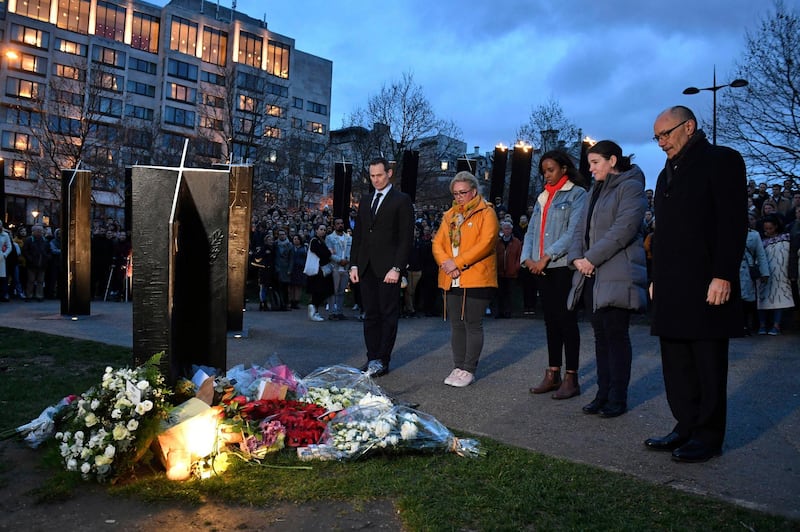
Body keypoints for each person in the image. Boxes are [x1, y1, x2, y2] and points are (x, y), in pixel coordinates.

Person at [646, 105, 747, 463]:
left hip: (707, 281)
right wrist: (656, 276)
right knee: (676, 362)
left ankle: (707, 435)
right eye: (656, 136)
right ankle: (685, 426)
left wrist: (723, 274)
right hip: (672, 284)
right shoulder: (665, 173)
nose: (661, 142)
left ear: (689, 127)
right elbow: (664, 232)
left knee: (707, 362)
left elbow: (732, 222)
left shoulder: (722, 160)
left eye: (666, 134)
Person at [568, 141, 648, 417]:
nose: (590, 169)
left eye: (595, 163)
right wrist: (577, 258)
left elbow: (624, 228)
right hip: (592, 274)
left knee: (615, 336)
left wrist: (590, 258)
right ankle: (603, 393)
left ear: (612, 160)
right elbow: (581, 227)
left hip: (617, 272)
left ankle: (618, 397)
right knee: (600, 336)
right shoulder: (595, 190)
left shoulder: (631, 186)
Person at [521, 150, 587, 399]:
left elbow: (574, 232)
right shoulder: (542, 197)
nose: (546, 175)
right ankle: (553, 372)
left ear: (564, 169)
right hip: (540, 267)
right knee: (550, 321)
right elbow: (530, 232)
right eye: (544, 171)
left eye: (551, 170)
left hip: (561, 267)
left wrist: (546, 256)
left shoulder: (577, 194)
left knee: (566, 321)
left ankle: (572, 377)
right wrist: (528, 259)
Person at [349, 157, 414, 377]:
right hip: (366, 267)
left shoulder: (401, 200)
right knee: (370, 315)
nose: (376, 180)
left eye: (379, 175)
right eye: (372, 175)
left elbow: (406, 237)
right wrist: (354, 264)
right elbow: (358, 236)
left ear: (389, 173)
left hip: (389, 270)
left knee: (388, 315)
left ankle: (382, 360)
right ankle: (371, 358)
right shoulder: (366, 201)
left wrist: (397, 268)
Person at [432, 171, 499, 387]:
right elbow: (438, 244)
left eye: (463, 192)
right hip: (451, 277)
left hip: (476, 277)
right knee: (456, 324)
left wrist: (457, 263)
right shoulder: (449, 215)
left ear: (474, 191)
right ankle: (458, 366)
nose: (459, 197)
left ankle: (469, 369)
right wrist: (446, 263)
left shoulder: (486, 212)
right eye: (455, 193)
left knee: (472, 324)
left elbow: (487, 243)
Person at [756, 215, 793, 335]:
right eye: (766, 229)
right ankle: (762, 325)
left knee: (780, 298)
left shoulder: (786, 238)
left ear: (776, 226)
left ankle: (776, 326)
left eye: (770, 228)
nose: (768, 231)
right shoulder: (761, 241)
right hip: (765, 273)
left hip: (781, 273)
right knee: (762, 299)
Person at [740, 226, 770, 335]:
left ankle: (746, 325)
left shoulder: (754, 235)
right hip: (733, 269)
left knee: (747, 299)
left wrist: (764, 272)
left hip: (748, 270)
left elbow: (760, 254)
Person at [325, 217, 352, 320]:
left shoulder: (349, 238)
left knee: (341, 291)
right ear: (334, 225)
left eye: (341, 223)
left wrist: (347, 260)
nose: (340, 225)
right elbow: (329, 252)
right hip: (335, 267)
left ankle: (339, 311)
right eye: (338, 223)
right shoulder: (330, 238)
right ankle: (332, 312)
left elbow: (351, 251)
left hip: (345, 268)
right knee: (333, 291)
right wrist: (339, 260)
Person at [494, 221, 522, 319]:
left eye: (508, 228)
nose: (506, 230)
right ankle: (499, 312)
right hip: (500, 272)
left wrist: (516, 267)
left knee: (509, 294)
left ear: (511, 230)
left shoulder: (517, 242)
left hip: (511, 272)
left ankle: (508, 312)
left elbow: (519, 256)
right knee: (499, 293)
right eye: (504, 228)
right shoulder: (497, 242)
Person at [307, 224, 334, 322]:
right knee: (319, 290)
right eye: (321, 229)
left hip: (322, 270)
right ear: (316, 230)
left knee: (324, 291)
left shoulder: (321, 241)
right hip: (318, 271)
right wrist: (329, 251)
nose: (323, 231)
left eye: (324, 229)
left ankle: (315, 309)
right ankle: (313, 308)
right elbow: (322, 253)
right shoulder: (314, 241)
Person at [22, 224, 52, 302]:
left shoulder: (45, 241)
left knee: (40, 281)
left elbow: (49, 251)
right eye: (38, 231)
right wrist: (30, 259)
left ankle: (39, 295)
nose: (39, 232)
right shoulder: (29, 240)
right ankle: (29, 295)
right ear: (33, 231)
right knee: (30, 280)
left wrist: (47, 258)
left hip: (42, 263)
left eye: (40, 231)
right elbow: (25, 251)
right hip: (32, 263)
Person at [287, 234, 307, 309]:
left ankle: (296, 301)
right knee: (291, 286)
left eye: (297, 239)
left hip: (300, 269)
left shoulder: (304, 248)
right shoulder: (290, 247)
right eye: (294, 239)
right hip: (292, 268)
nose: (296, 240)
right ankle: (291, 301)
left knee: (298, 286)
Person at [0, 221, 12, 302]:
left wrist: (5, 254)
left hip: (1, 258)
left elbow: (9, 246)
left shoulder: (5, 235)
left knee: (1, 279)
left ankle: (2, 295)